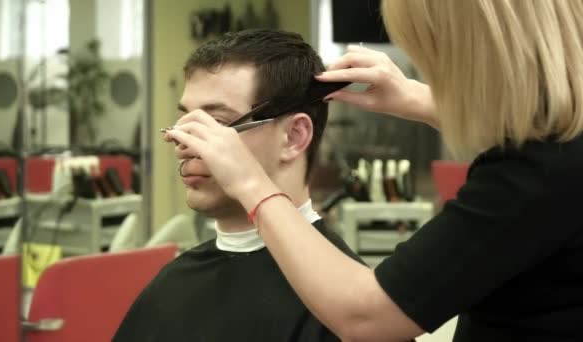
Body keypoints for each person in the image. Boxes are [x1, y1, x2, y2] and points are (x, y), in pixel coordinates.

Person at [166, 1, 583, 341]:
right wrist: (415, 98)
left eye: (220, 125)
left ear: (295, 136)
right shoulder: (558, 152)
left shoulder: (543, 175)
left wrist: (249, 181)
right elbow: (536, 127)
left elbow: (366, 316)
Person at [113, 29, 364, 342]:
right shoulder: (172, 284)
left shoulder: (356, 308)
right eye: (187, 124)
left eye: (216, 124)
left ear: (295, 137)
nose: (184, 145)